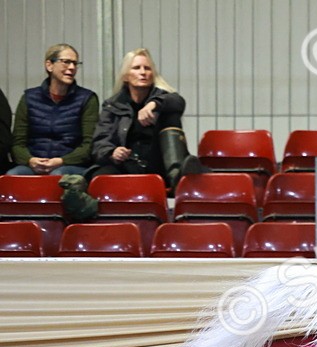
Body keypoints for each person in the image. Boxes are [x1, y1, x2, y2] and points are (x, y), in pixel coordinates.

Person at [59, 48, 204, 221]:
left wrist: (153, 105)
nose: (143, 72)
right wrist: (112, 152)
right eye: (137, 68)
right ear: (126, 75)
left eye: (147, 68)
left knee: (170, 112)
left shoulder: (163, 98)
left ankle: (176, 174)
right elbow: (99, 142)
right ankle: (89, 214)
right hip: (127, 164)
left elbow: (178, 101)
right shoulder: (113, 105)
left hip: (158, 163)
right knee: (100, 176)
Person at [7, 44, 97, 176]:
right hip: (34, 164)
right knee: (12, 176)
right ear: (49, 65)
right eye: (66, 62)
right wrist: (30, 160)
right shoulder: (29, 98)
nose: (72, 68)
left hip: (70, 165)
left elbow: (89, 145)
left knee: (58, 175)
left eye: (75, 63)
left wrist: (61, 161)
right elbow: (17, 144)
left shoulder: (87, 98)